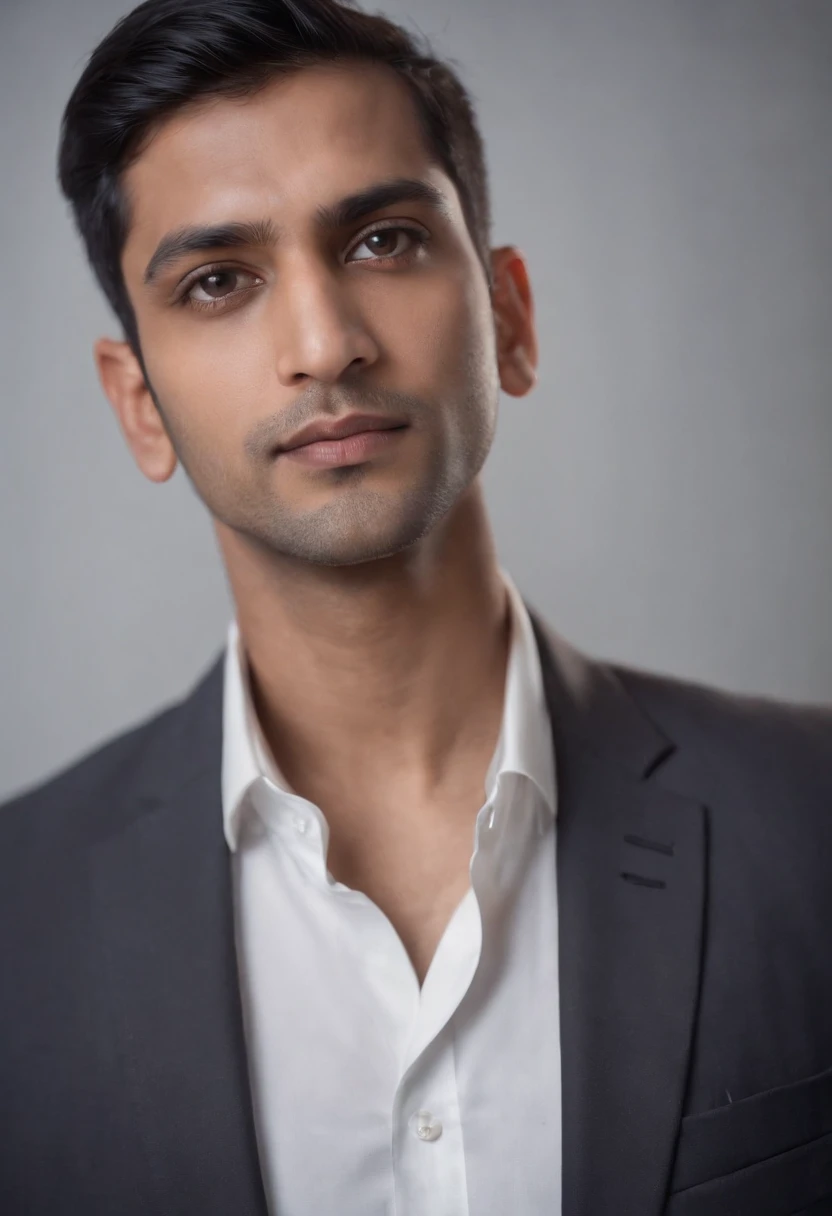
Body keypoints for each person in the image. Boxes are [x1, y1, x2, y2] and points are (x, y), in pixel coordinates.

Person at [1, 0, 830, 1212]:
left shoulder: (812, 820)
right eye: (220, 280)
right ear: (139, 405)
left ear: (510, 317)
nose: (324, 343)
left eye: (382, 241)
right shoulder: (16, 921)